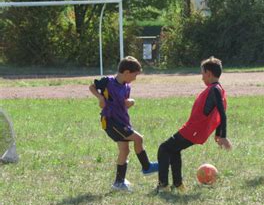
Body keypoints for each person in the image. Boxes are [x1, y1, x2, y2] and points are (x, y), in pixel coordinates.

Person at [157, 57, 232, 193]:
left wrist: (223, 135)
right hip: (193, 130)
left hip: (193, 131)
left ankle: (163, 186)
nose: (202, 77)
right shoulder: (217, 89)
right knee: (173, 150)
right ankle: (178, 185)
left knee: (164, 148)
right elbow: (219, 114)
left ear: (209, 74)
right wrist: (218, 134)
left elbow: (222, 113)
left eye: (202, 74)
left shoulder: (215, 90)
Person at [89, 56, 158, 191]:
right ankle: (146, 166)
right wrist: (100, 97)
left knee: (124, 150)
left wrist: (129, 102)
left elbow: (123, 104)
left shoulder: (127, 86)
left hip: (122, 120)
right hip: (110, 121)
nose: (135, 78)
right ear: (126, 72)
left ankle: (118, 183)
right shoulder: (107, 82)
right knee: (138, 138)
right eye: (135, 75)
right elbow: (92, 87)